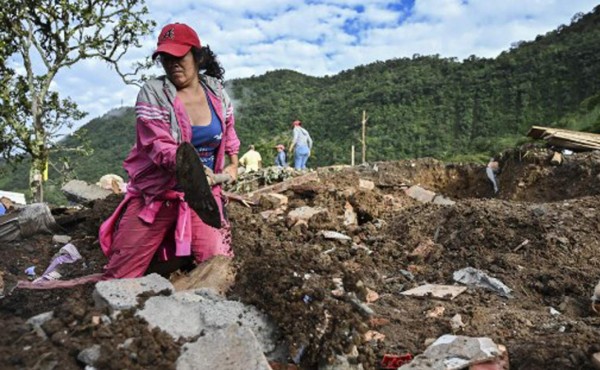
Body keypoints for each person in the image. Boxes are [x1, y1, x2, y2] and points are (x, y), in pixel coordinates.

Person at [97, 22, 240, 279]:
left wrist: (233, 162)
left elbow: (228, 130)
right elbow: (157, 145)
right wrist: (191, 170)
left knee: (220, 265)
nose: (172, 63)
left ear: (197, 56)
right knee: (120, 275)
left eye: (179, 56)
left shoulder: (216, 92)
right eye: (165, 57)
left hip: (203, 196)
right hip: (158, 194)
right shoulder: (153, 93)